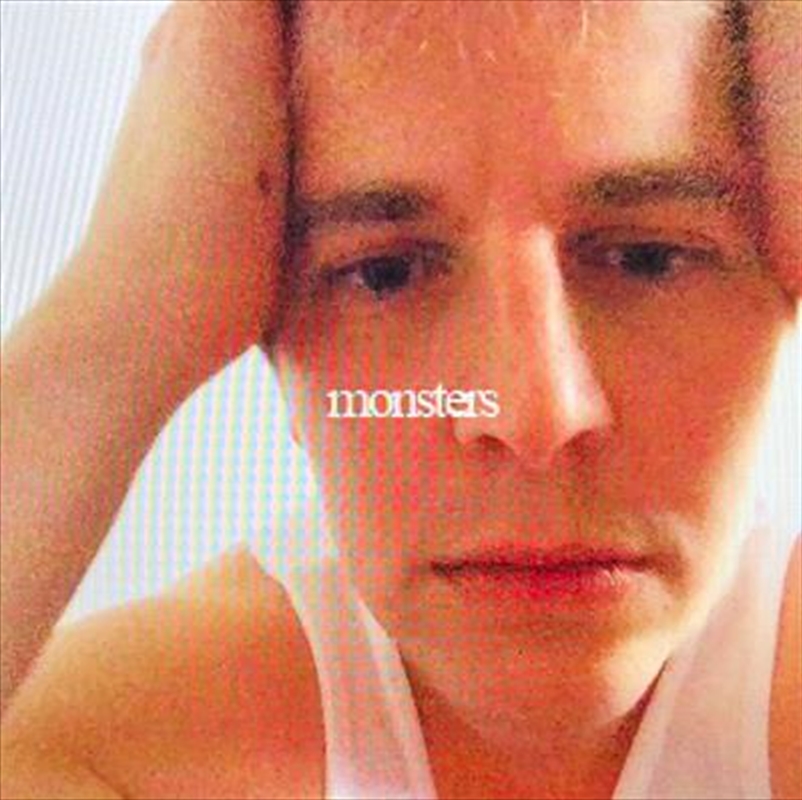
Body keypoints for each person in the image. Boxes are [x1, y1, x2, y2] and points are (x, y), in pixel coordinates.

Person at [1, 1, 799, 798]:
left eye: (648, 258)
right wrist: (118, 323)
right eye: (386, 273)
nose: (535, 417)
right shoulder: (111, 751)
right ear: (270, 333)